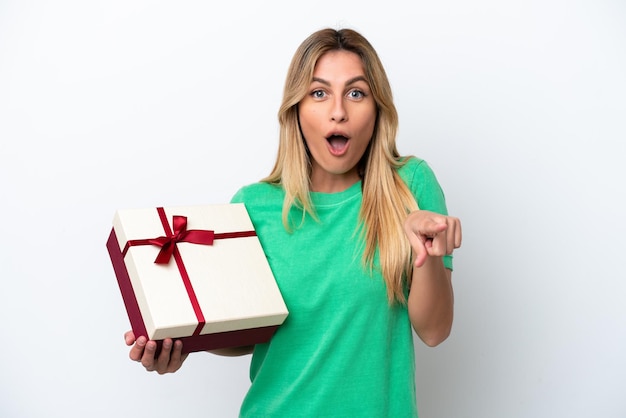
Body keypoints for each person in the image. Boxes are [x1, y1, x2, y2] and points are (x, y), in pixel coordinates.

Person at [124, 27, 462, 417]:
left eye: (356, 93)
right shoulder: (253, 206)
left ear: (377, 108)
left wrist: (428, 252)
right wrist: (179, 345)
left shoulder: (411, 187)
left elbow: (434, 331)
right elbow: (248, 337)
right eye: (319, 93)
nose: (339, 110)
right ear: (296, 109)